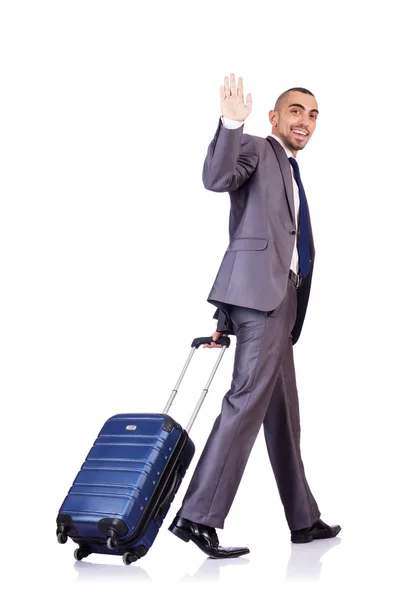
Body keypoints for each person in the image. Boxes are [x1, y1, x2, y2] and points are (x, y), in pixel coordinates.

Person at [168, 73, 341, 558]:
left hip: (278, 302)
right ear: (273, 117)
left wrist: (227, 317)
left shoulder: (290, 169)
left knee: (284, 415)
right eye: (295, 111)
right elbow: (216, 178)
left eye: (312, 115)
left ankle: (303, 520)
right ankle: (197, 516)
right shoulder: (258, 150)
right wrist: (229, 123)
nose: (304, 121)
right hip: (263, 302)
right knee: (245, 403)